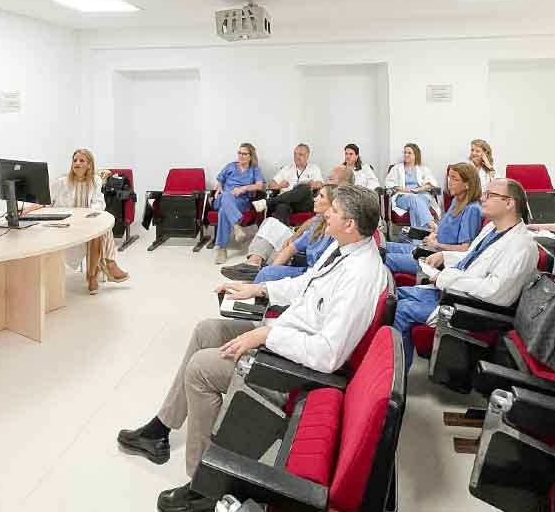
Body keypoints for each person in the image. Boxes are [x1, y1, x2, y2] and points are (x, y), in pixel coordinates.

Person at [116, 185, 389, 512]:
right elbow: (303, 285)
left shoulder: (360, 276)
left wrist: (265, 337)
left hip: (296, 367)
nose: (327, 212)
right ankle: (159, 431)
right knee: (208, 330)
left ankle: (205, 487)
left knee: (201, 370)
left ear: (350, 224)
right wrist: (256, 288)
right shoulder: (344, 248)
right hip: (285, 334)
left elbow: (327, 355)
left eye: (335, 211)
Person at [392, 178, 539, 369]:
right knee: (393, 295)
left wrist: (444, 278)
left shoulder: (522, 246)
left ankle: (394, 379)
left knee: (402, 310)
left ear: (509, 203)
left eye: (490, 195)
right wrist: (444, 255)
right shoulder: (492, 229)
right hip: (452, 292)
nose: (483, 199)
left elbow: (496, 292)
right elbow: (471, 257)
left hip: (469, 307)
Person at [220, 165, 354, 282]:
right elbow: (313, 222)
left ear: (343, 187)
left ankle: (258, 273)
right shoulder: (321, 218)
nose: (326, 182)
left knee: (303, 189)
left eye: (330, 179)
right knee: (274, 219)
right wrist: (296, 234)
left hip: (312, 267)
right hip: (289, 203)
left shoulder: (342, 218)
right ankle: (253, 264)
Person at [22, 148, 128, 293]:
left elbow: (98, 203)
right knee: (99, 231)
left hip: (86, 223)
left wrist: (89, 215)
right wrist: (28, 209)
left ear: (89, 165)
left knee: (98, 231)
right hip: (66, 225)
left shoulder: (95, 180)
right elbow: (45, 199)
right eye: (75, 160)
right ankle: (109, 263)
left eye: (81, 160)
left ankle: (92, 277)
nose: (77, 163)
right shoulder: (62, 181)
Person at [384, 162, 483, 275]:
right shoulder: (456, 201)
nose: (449, 183)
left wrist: (437, 245)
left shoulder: (472, 209)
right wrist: (434, 235)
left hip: (437, 260)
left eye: (455, 179)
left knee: (387, 259)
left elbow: (465, 249)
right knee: (384, 246)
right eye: (449, 178)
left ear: (468, 184)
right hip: (430, 249)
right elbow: (445, 228)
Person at [212, 143, 265, 265]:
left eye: (244, 153)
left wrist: (243, 188)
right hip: (222, 199)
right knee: (226, 195)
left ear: (250, 156)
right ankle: (236, 226)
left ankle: (222, 248)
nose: (241, 156)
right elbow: (220, 179)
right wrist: (219, 187)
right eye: (239, 153)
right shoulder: (230, 166)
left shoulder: (254, 170)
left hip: (241, 202)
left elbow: (259, 185)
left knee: (223, 212)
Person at [251, 143, 323, 224]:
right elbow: (271, 185)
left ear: (307, 155)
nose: (297, 157)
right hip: (286, 201)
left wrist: (313, 184)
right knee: (282, 207)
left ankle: (266, 202)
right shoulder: (286, 169)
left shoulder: (314, 168)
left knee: (304, 187)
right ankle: (282, 235)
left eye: (300, 154)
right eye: (295, 154)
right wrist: (280, 186)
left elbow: (320, 184)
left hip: (303, 203)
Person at [384, 142, 441, 228]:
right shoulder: (396, 168)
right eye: (405, 152)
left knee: (415, 207)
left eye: (409, 153)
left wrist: (418, 190)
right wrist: (405, 190)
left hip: (422, 195)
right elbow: (389, 183)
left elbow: (431, 183)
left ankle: (416, 240)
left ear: (416, 155)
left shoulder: (423, 168)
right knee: (414, 199)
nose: (406, 155)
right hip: (402, 196)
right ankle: (430, 223)